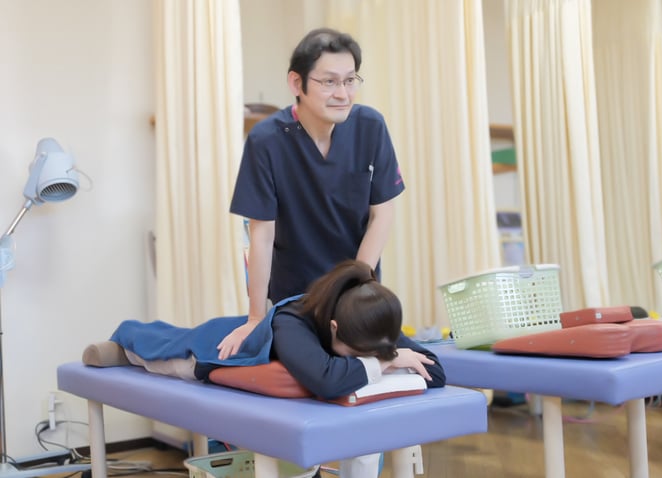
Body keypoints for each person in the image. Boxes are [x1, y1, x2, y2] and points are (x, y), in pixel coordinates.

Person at [83, 260, 445, 478]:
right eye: (360, 354)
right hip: (215, 350)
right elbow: (326, 378)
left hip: (263, 346)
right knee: (162, 348)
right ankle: (123, 348)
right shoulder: (293, 320)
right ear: (334, 329)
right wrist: (389, 360)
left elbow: (437, 373)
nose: (371, 357)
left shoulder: (368, 321)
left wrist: (384, 356)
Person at [223, 28, 405, 361]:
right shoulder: (267, 141)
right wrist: (255, 318)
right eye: (329, 82)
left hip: (356, 297)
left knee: (426, 368)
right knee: (318, 371)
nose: (343, 94)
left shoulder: (370, 126)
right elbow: (261, 236)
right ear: (297, 83)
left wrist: (354, 293)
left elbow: (382, 215)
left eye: (350, 81)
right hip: (296, 303)